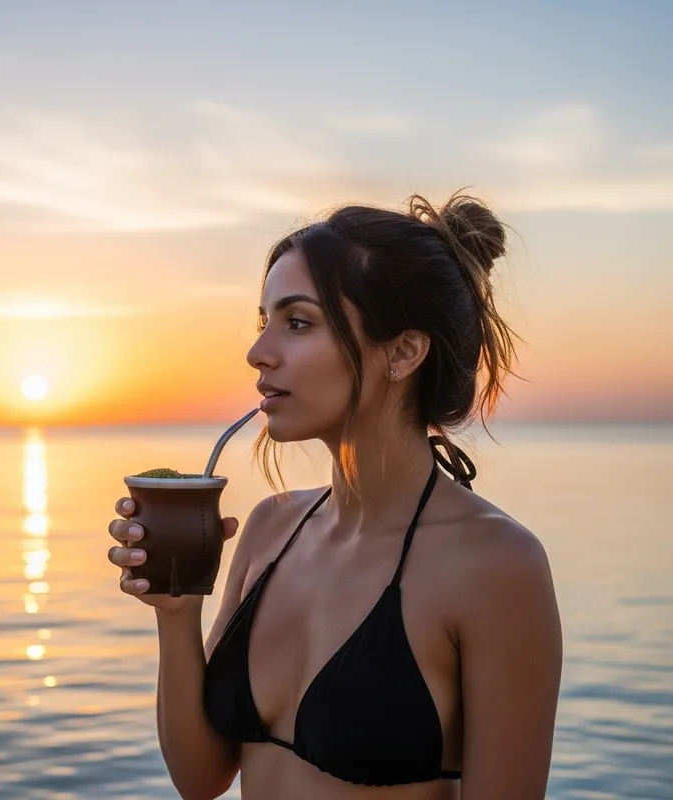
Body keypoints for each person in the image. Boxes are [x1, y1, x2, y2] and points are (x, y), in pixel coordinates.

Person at [107, 192, 563, 800]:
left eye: (297, 323)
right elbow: (201, 778)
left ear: (402, 351)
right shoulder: (272, 527)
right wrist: (176, 605)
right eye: (263, 321)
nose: (258, 352)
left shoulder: (497, 565)